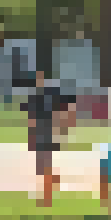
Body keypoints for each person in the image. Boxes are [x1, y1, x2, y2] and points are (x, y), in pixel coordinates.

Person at [25, 71, 73, 208]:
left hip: (48, 134)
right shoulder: (35, 96)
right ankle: (49, 190)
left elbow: (67, 108)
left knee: (45, 167)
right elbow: (31, 119)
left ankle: (47, 197)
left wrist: (62, 125)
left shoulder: (51, 94)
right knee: (42, 167)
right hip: (41, 134)